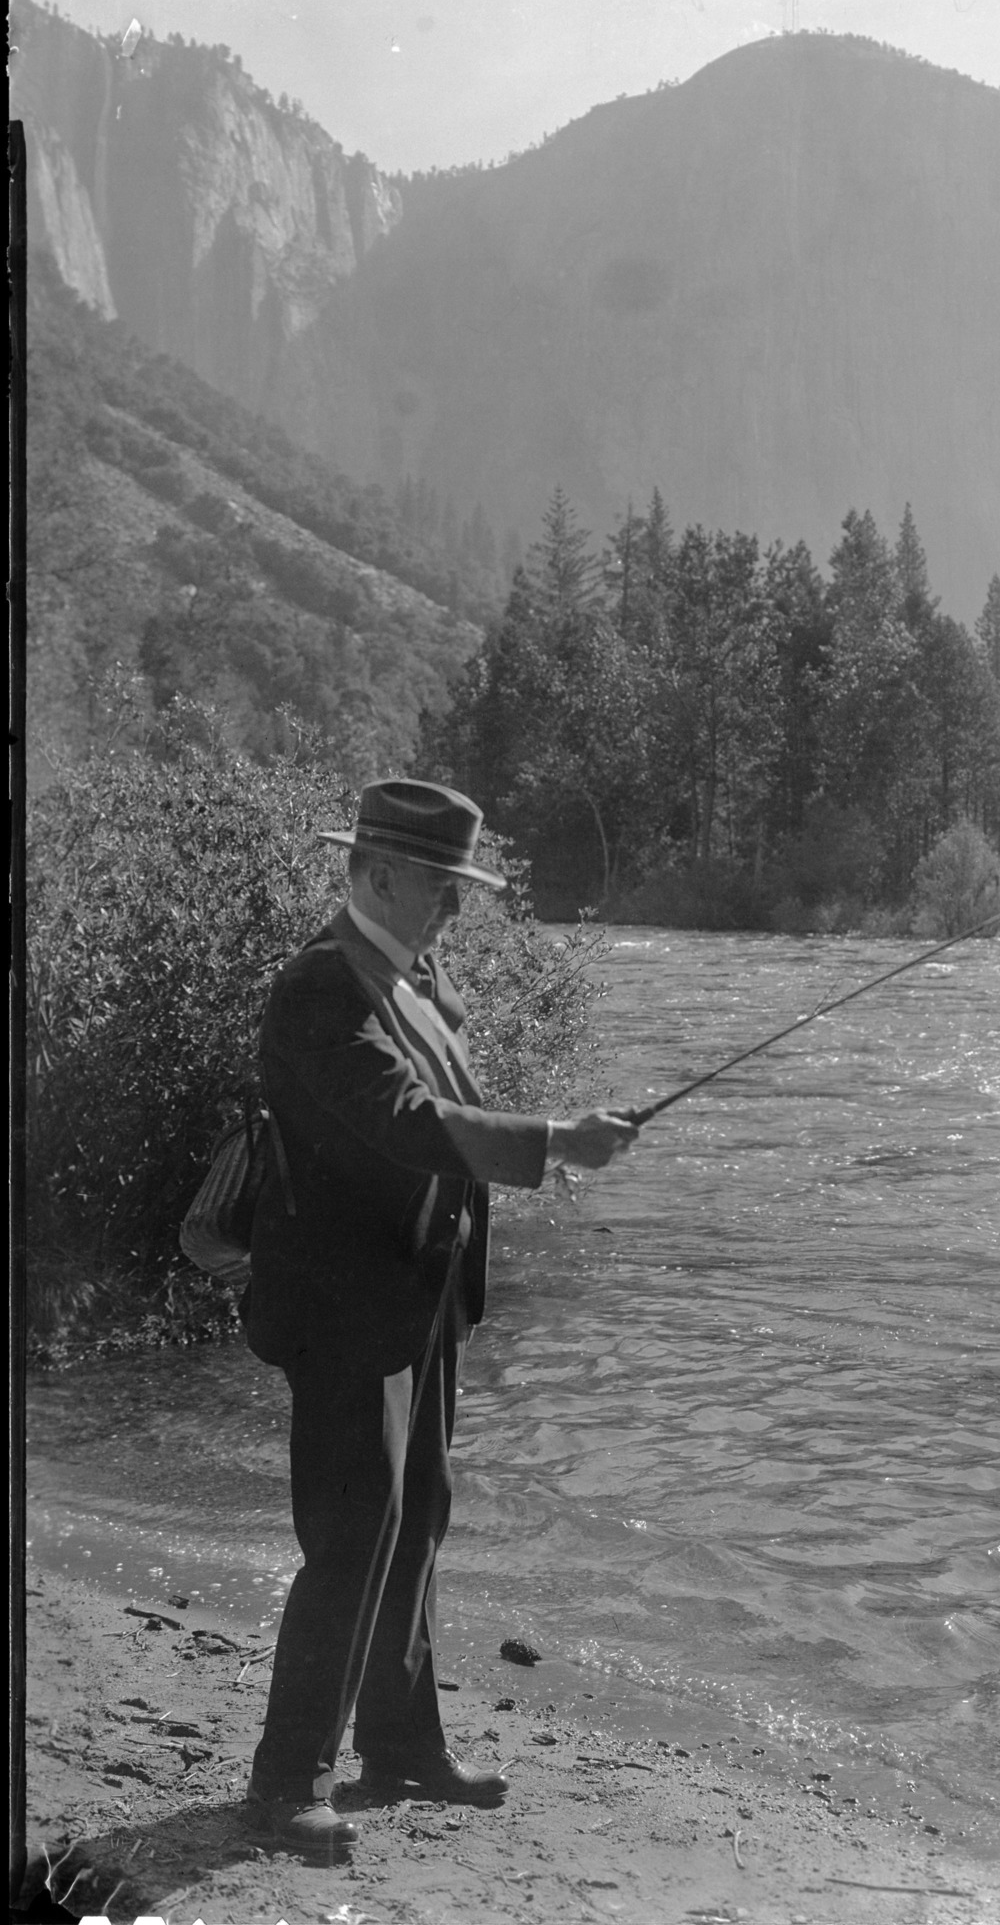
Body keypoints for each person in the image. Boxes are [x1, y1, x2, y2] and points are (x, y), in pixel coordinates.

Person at [240, 778, 637, 1852]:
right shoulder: (324, 986)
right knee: (351, 1531)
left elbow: (434, 1113)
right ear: (373, 873)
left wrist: (543, 1140)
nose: (458, 907)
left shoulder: (408, 975)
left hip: (417, 1294)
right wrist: (555, 1136)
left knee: (417, 1516)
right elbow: (407, 1120)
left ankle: (402, 1746)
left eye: (462, 888)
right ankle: (286, 1781)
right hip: (343, 1304)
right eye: (442, 885)